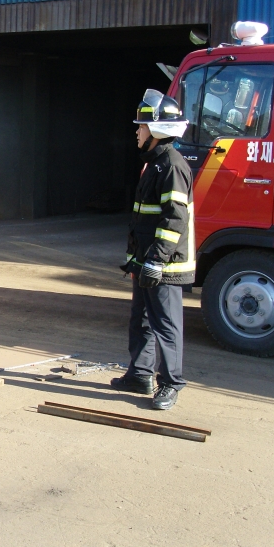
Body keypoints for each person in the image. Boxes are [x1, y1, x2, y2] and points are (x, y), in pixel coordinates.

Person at [113, 90, 194, 410]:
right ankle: (140, 375)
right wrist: (140, 260)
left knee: (166, 325)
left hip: (164, 265)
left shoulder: (171, 166)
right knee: (142, 320)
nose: (137, 132)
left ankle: (171, 383)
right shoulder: (155, 164)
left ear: (158, 130)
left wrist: (157, 261)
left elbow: (175, 219)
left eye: (142, 127)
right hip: (146, 260)